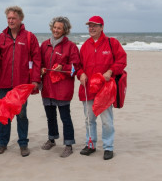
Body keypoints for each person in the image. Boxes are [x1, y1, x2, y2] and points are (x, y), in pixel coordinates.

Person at [0, 6, 41, 157]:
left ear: (20, 19)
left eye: (14, 18)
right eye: (9, 18)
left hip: (22, 84)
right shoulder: (1, 37)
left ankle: (23, 144)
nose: (11, 21)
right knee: (4, 114)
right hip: (5, 83)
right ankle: (2, 143)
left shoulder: (29, 37)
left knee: (21, 115)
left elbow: (37, 59)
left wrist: (35, 80)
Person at [77, 16, 127, 160]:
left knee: (106, 121)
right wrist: (81, 74)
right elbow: (78, 66)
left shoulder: (112, 43)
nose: (91, 28)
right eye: (89, 26)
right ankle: (90, 144)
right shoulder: (85, 45)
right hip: (87, 90)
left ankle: (108, 147)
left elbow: (122, 60)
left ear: (102, 27)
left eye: (94, 26)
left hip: (105, 90)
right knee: (89, 120)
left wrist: (111, 71)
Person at [40, 16, 80, 157]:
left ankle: (68, 144)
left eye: (59, 28)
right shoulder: (44, 45)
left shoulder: (71, 46)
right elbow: (39, 63)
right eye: (55, 27)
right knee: (50, 116)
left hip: (63, 88)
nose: (56, 30)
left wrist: (64, 66)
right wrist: (41, 69)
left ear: (65, 31)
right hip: (47, 87)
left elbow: (76, 67)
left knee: (65, 117)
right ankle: (52, 139)